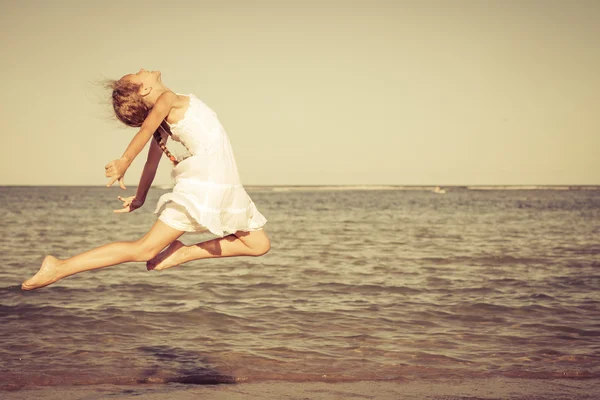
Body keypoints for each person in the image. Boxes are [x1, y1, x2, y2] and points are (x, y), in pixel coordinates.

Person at [21, 68, 271, 291]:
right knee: (144, 249)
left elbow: (152, 164)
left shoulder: (169, 114)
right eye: (137, 74)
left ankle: (183, 253)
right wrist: (124, 161)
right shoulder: (167, 99)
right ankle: (60, 268)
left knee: (258, 245)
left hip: (224, 183)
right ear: (146, 89)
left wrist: (140, 197)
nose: (142, 69)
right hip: (207, 185)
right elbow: (145, 131)